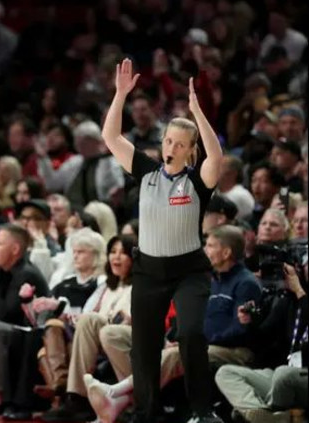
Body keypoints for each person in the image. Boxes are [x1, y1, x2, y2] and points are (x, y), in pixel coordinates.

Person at [102, 58, 223, 423]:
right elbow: (111, 137)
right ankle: (146, 412)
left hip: (189, 272)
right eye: (168, 140)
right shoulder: (146, 172)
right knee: (144, 347)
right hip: (149, 271)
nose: (171, 146)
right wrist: (120, 94)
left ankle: (202, 410)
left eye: (179, 144)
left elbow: (216, 155)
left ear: (189, 150)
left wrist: (197, 113)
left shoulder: (198, 181)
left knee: (190, 334)